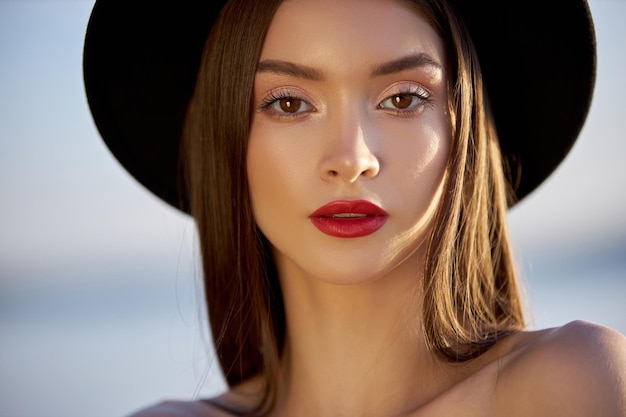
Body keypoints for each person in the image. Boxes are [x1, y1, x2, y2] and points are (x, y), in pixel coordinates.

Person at [83, 0, 626, 416]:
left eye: (403, 99)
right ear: (221, 133)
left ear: (463, 127)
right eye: (289, 103)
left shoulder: (576, 386)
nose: (351, 159)